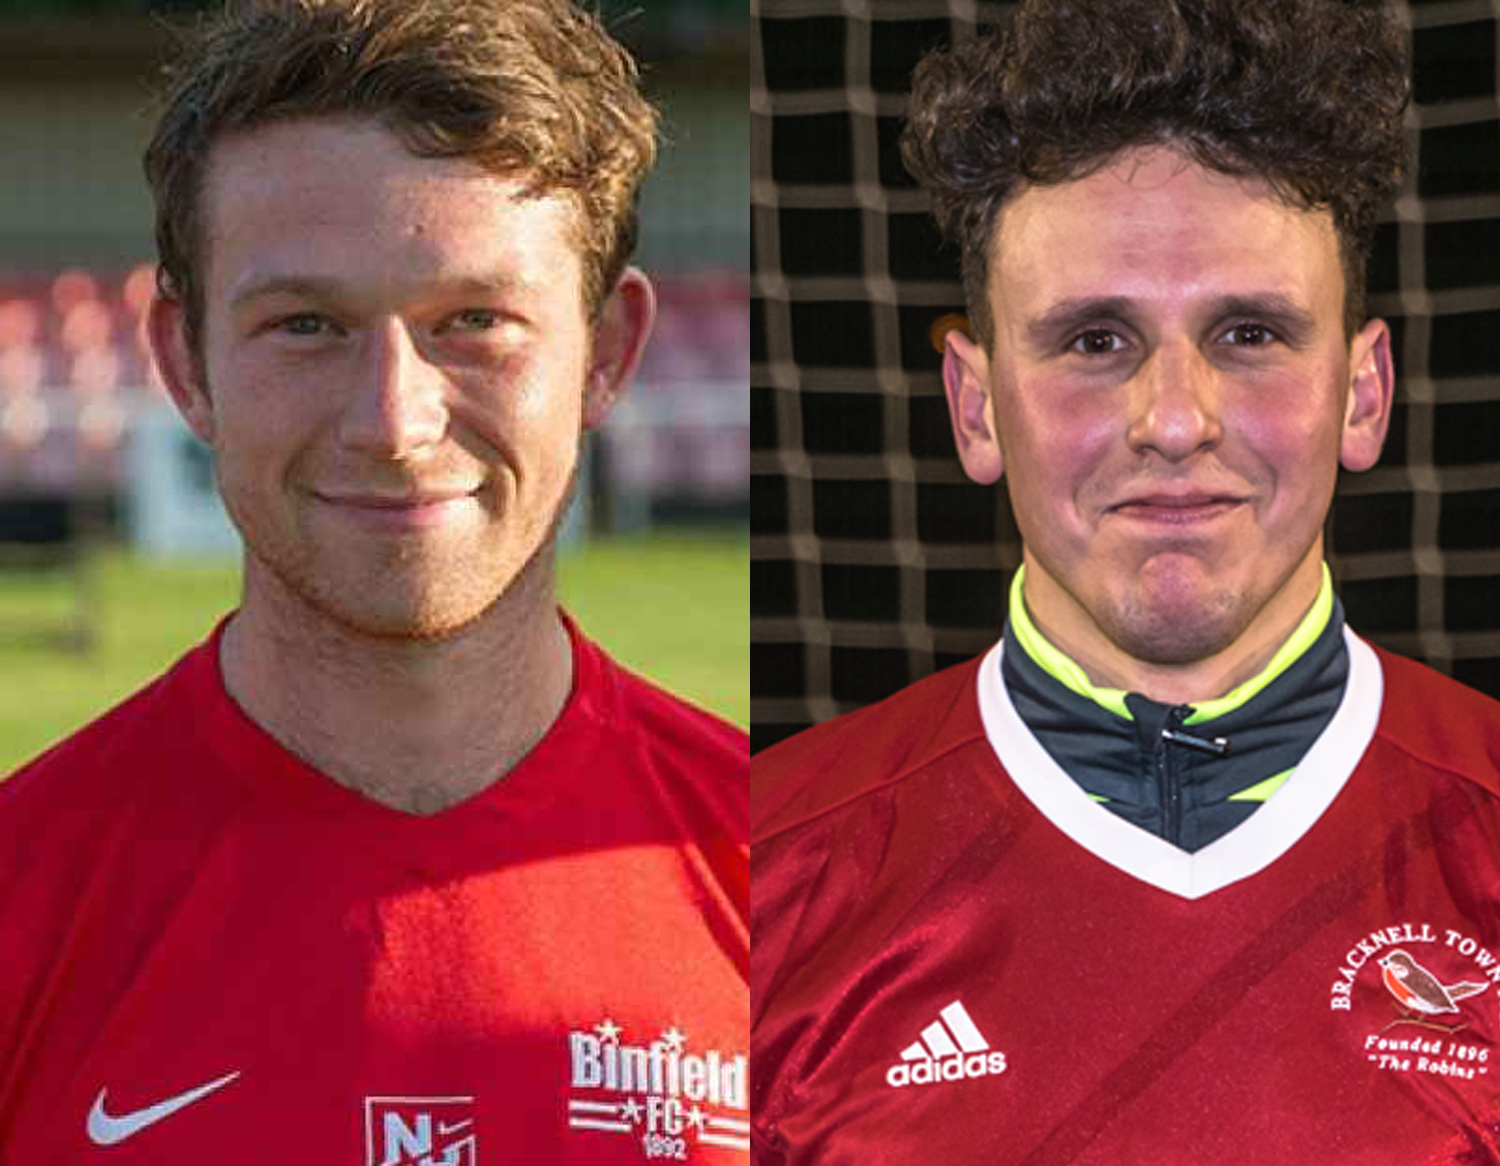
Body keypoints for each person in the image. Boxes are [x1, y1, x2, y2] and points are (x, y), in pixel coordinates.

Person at [751, 0, 1500, 1162]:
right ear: (974, 406)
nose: (1175, 419)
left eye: (1249, 333)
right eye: (1096, 340)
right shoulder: (761, 872)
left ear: (1363, 394)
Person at [0, 1, 747, 1160]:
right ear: (183, 361)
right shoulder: (24, 894)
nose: (394, 422)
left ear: (606, 351)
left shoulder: (803, 883)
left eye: (477, 319)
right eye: (305, 324)